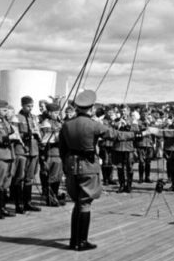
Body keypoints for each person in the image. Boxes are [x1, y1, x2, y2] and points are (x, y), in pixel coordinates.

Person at [58, 90, 136, 251]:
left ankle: (74, 240)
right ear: (91, 108)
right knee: (85, 203)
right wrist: (140, 133)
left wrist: (67, 165)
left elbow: (62, 149)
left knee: (76, 203)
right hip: (88, 167)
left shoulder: (67, 125)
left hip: (72, 167)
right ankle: (82, 242)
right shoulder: (94, 125)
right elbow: (116, 135)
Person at [10, 95, 42, 214]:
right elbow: (14, 134)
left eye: (32, 106)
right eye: (28, 106)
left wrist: (38, 135)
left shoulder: (34, 118)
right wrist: (25, 135)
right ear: (22, 105)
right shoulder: (16, 118)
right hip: (22, 150)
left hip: (33, 150)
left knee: (29, 178)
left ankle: (27, 202)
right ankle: (19, 204)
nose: (31, 108)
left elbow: (39, 132)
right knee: (19, 177)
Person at [39, 103, 65, 206]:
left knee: (58, 176)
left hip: (58, 153)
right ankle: (50, 198)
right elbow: (44, 139)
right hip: (50, 152)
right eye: (55, 112)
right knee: (51, 176)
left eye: (58, 112)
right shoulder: (46, 123)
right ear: (49, 112)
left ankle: (54, 195)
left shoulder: (59, 123)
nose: (57, 114)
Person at [112, 105, 139, 193]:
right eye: (122, 111)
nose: (123, 112)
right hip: (119, 147)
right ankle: (121, 185)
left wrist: (127, 125)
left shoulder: (132, 120)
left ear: (128, 111)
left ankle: (129, 186)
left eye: (124, 111)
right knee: (120, 167)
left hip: (128, 147)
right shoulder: (117, 120)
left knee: (129, 167)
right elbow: (112, 130)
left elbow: (136, 130)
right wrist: (119, 125)